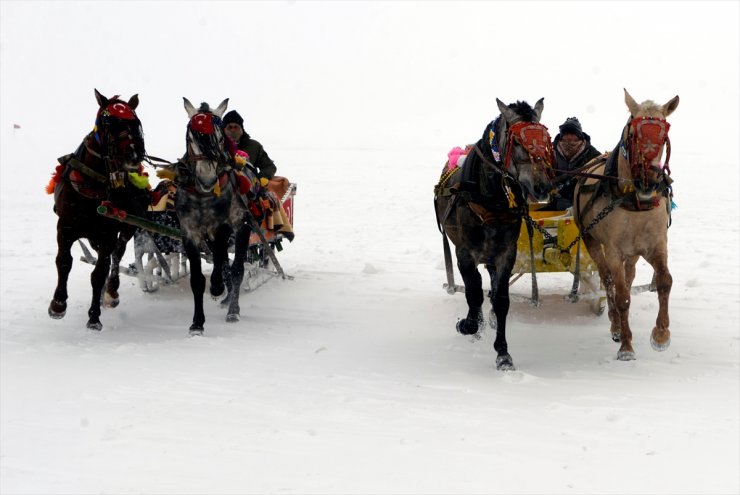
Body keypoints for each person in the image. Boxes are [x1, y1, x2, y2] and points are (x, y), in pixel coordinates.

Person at [546, 117, 602, 211]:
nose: (569, 137)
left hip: (582, 199)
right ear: (561, 135)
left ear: (579, 135)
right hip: (555, 199)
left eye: (572, 134)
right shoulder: (550, 150)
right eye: (566, 134)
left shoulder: (592, 153)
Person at [222, 110, 277, 180]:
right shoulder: (218, 147)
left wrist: (259, 179)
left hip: (249, 187)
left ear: (242, 129)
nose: (233, 130)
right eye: (229, 127)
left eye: (236, 127)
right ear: (223, 130)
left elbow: (269, 166)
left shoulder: (254, 146)